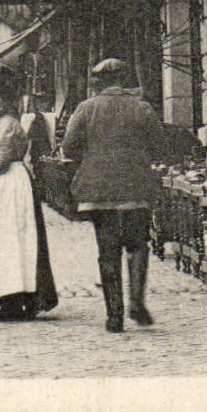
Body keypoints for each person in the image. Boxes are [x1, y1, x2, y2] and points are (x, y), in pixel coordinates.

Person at [61, 58, 165, 333]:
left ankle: (114, 316)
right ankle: (136, 303)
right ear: (125, 78)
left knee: (107, 251)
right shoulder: (142, 108)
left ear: (97, 82)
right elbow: (158, 143)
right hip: (136, 189)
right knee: (138, 245)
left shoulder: (85, 109)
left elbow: (68, 147)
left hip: (99, 192)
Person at [0, 73, 58, 321]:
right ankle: (6, 297)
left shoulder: (8, 124)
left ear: (6, 102)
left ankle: (16, 298)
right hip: (1, 185)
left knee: (13, 240)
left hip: (11, 185)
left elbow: (2, 161)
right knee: (0, 241)